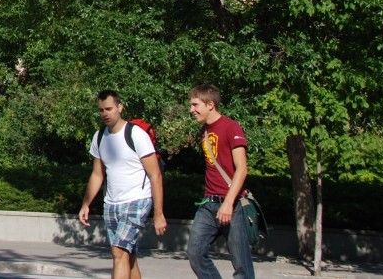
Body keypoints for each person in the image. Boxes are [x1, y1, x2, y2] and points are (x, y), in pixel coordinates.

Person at [79, 90, 167, 279]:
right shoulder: (100, 137)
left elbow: (155, 175)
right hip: (111, 203)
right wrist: (86, 204)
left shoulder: (136, 135)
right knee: (128, 255)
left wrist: (158, 214)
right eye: (101, 110)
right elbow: (97, 174)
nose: (105, 114)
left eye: (109, 109)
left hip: (137, 200)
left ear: (120, 107)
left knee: (118, 253)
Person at [187, 84, 254, 279]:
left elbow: (242, 169)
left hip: (233, 205)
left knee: (242, 266)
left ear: (210, 104)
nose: (191, 110)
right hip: (209, 204)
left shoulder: (231, 127)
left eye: (195, 105)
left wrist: (228, 203)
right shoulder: (204, 131)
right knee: (195, 253)